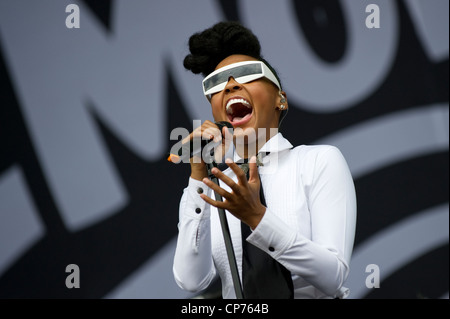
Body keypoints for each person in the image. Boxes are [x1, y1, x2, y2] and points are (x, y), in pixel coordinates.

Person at [172, 21, 357, 299]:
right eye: (217, 84)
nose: (232, 85)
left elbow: (333, 275)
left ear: (280, 99)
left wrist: (257, 218)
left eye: (247, 74)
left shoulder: (318, 161)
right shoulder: (219, 187)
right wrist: (198, 176)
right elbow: (191, 280)